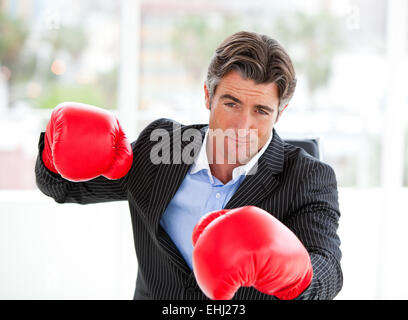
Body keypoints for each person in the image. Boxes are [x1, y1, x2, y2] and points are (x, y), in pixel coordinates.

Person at [35, 31, 342, 300]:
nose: (242, 125)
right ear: (208, 95)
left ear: (280, 112)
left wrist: (295, 274)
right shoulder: (163, 148)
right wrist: (54, 149)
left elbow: (328, 272)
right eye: (231, 103)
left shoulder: (308, 177)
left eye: (261, 110)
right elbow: (62, 187)